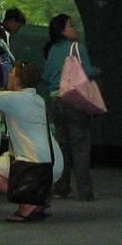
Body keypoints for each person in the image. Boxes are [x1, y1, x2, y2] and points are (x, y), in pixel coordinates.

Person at [0, 53, 63, 222]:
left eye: (11, 74)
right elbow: (1, 97)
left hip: (35, 167)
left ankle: (30, 200)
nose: (8, 77)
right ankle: (35, 196)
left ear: (18, 81)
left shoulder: (15, 99)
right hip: (53, 164)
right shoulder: (35, 98)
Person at [41, 12, 97, 202]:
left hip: (55, 100)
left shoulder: (52, 50)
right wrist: (98, 70)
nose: (75, 28)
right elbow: (87, 71)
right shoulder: (77, 47)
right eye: (71, 25)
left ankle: (61, 186)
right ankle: (85, 192)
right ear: (62, 31)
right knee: (80, 145)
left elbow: (47, 76)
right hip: (74, 100)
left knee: (63, 145)